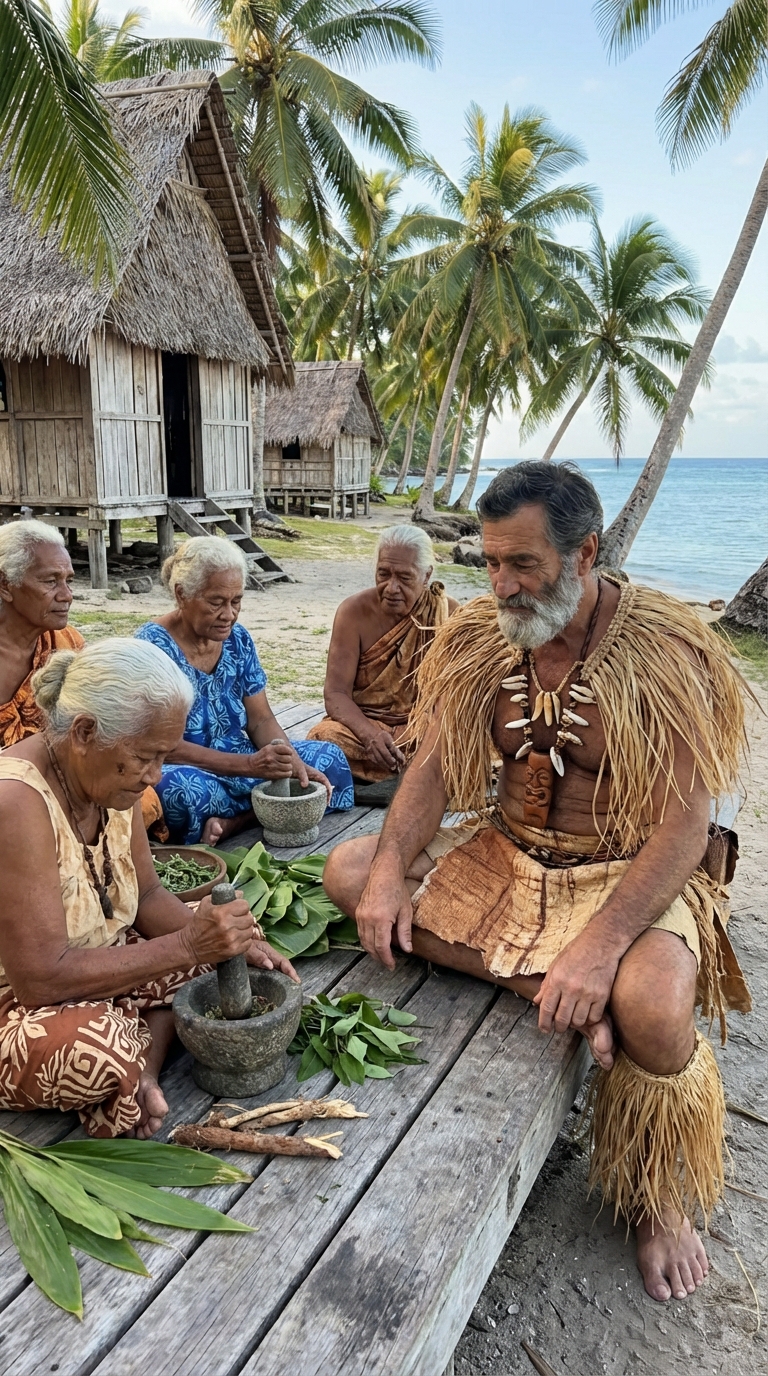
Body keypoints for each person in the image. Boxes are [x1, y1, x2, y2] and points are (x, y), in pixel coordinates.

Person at [322, 461, 751, 1306]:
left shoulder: (664, 653)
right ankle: (557, 990)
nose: (502, 585)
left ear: (585, 552)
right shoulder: (485, 637)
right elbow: (436, 770)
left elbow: (684, 827)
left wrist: (600, 947)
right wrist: (384, 879)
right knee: (347, 870)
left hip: (625, 870)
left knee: (658, 1009)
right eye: (489, 563)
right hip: (509, 856)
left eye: (524, 565)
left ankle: (658, 1198)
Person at [0, 638, 298, 1138]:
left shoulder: (109, 784)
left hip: (96, 964)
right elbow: (40, 981)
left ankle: (144, 1077)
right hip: (20, 1000)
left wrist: (236, 949)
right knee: (101, 1047)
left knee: (216, 957)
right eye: (145, 757)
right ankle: (133, 1062)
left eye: (163, 756)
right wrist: (185, 945)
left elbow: (150, 897)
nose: (156, 775)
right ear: (85, 733)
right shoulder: (16, 803)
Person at [135, 536, 353, 846]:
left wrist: (289, 759)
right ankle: (268, 810)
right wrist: (251, 767)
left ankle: (236, 822)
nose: (229, 614)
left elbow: (260, 720)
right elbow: (162, 745)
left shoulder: (237, 639)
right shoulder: (152, 647)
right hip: (191, 767)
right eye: (216, 602)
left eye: (236, 601)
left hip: (247, 759)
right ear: (182, 594)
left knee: (329, 758)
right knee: (176, 793)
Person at [0, 519, 166, 837]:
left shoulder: (67, 645)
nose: (67, 595)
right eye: (50, 582)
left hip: (65, 779)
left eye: (68, 581)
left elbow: (97, 730)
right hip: (12, 792)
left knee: (139, 798)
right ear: (5, 584)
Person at [306, 526, 458, 793]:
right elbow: (336, 694)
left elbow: (456, 699)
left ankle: (401, 774)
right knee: (322, 740)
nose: (391, 587)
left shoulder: (449, 615)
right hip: (366, 726)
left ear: (426, 576)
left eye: (405, 578)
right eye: (383, 574)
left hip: (423, 729)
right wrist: (370, 735)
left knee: (458, 744)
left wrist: (422, 731)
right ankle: (418, 778)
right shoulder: (352, 613)